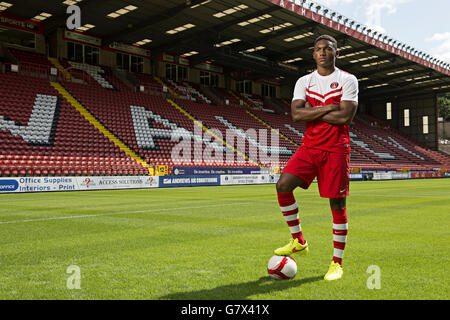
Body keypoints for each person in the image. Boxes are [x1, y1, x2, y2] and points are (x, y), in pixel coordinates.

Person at [274, 34, 358, 281]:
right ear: (313, 54)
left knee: (337, 205)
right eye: (318, 49)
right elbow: (296, 116)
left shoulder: (348, 80)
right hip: (309, 147)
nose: (322, 52)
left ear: (336, 53)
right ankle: (298, 240)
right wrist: (330, 107)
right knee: (282, 185)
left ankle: (336, 263)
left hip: (335, 149)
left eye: (327, 49)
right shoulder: (304, 81)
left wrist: (312, 112)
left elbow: (346, 118)